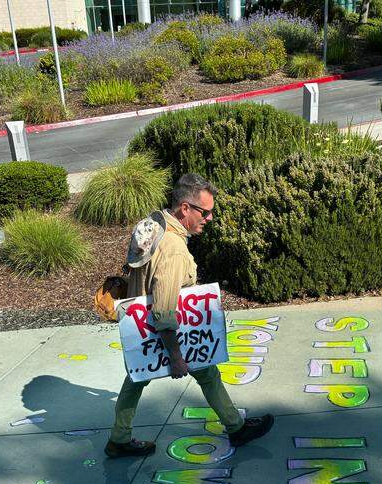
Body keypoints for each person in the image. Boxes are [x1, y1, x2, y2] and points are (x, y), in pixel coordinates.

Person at [105, 173, 274, 458]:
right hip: (165, 331)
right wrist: (175, 356)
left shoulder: (154, 223)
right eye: (205, 212)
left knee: (140, 377)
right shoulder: (174, 249)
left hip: (140, 328)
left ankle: (119, 438)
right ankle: (235, 428)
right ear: (185, 208)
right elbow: (163, 307)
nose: (209, 218)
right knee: (200, 373)